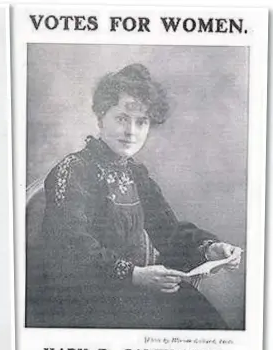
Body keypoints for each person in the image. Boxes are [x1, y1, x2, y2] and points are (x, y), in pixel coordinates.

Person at [26, 63, 242, 329]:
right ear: (101, 117)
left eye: (141, 122)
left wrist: (210, 249)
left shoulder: (136, 174)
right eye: (121, 118)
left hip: (136, 288)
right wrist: (134, 275)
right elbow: (70, 246)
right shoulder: (73, 170)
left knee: (204, 321)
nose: (131, 131)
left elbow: (169, 232)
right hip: (82, 299)